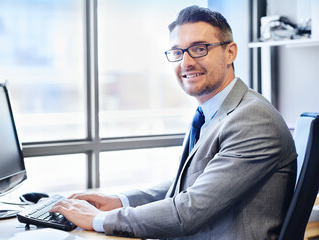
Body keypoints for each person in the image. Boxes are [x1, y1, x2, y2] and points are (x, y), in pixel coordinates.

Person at [50, 5, 297, 239]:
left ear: (230, 52)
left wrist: (98, 220)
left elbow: (188, 211)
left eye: (200, 48)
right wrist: (119, 201)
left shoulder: (252, 120)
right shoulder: (214, 112)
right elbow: (192, 184)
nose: (186, 62)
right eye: (178, 52)